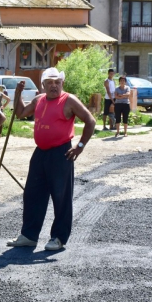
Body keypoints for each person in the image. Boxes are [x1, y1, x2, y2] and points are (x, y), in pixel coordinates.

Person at [7, 67, 96, 251]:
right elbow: (21, 113)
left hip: (61, 153)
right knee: (32, 194)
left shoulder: (69, 100)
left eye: (57, 82)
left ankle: (58, 238)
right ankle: (29, 236)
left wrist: (80, 146)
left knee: (61, 197)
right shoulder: (39, 99)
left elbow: (90, 120)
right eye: (50, 83)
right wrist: (17, 94)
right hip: (40, 153)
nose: (54, 86)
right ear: (43, 85)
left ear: (62, 83)